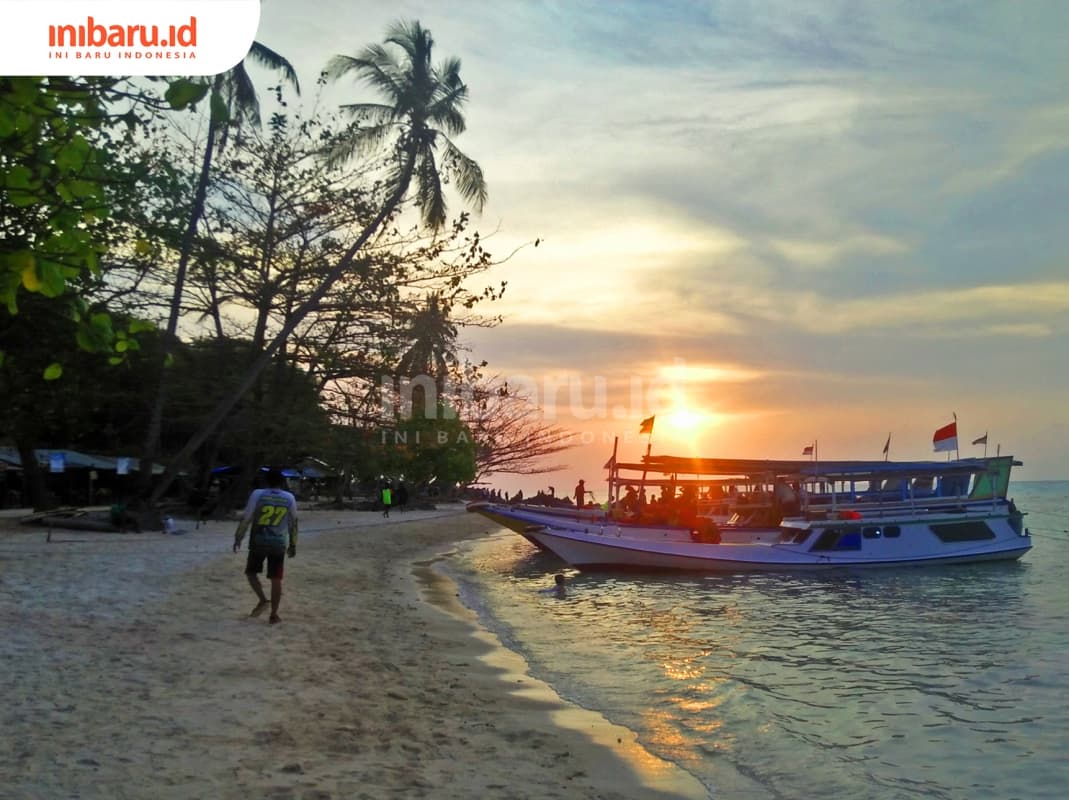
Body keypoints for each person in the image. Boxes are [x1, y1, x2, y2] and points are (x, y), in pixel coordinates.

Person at [233, 469, 298, 624]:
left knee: (251, 572)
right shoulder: (289, 497)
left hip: (258, 541)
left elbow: (247, 517)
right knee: (276, 579)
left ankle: (263, 600)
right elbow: (293, 523)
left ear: (266, 481)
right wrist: (293, 544)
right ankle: (274, 615)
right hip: (278, 543)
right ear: (283, 482)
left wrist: (238, 537)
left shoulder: (258, 494)